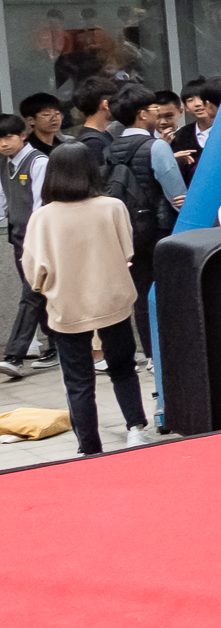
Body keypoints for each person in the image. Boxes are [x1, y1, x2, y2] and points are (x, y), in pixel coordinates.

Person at [20, 143, 150, 453]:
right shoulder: (112, 207)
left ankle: (89, 446)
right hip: (112, 301)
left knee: (78, 381)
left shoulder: (43, 217)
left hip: (67, 305)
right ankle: (135, 428)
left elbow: (34, 271)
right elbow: (127, 251)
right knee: (123, 367)